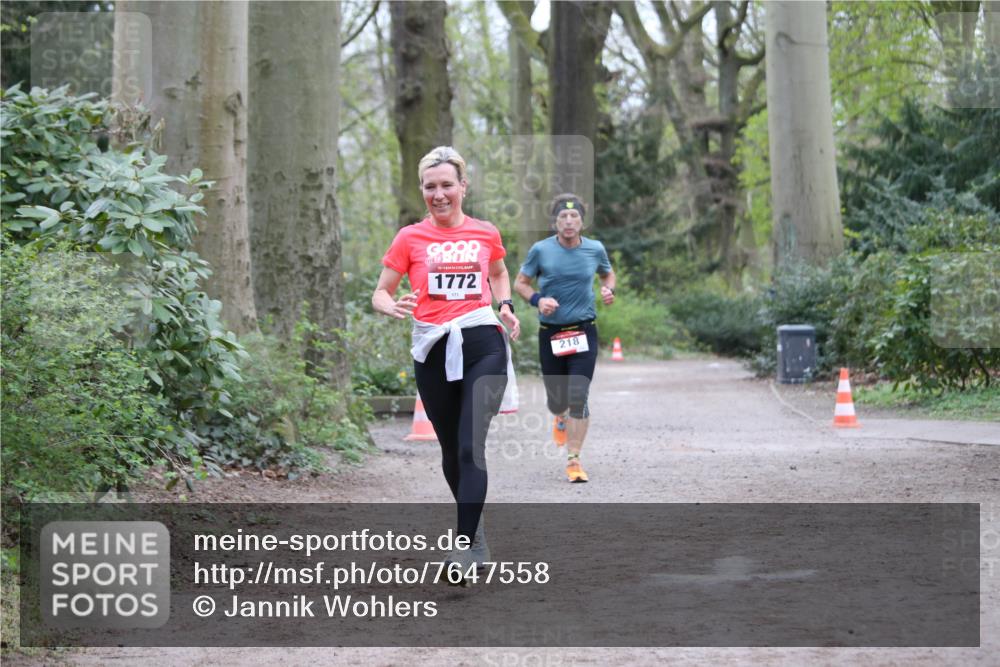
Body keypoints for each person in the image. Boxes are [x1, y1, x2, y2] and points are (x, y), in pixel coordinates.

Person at [372, 146, 520, 572]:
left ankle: (464, 549)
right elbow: (380, 290)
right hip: (433, 348)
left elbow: (498, 271)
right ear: (422, 190)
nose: (439, 194)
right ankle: (475, 534)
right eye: (430, 186)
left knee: (471, 446)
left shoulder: (484, 232)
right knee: (452, 452)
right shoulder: (409, 238)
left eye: (447, 185)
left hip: (482, 343)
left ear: (463, 187)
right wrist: (389, 305)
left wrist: (505, 305)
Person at [514, 193, 615, 483]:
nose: (569, 221)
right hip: (551, 334)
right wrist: (537, 300)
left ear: (582, 221)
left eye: (574, 217)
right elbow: (520, 283)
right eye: (563, 217)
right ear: (555, 222)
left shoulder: (595, 249)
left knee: (579, 396)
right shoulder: (540, 251)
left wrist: (609, 290)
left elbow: (608, 275)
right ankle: (560, 416)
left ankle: (574, 459)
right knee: (557, 401)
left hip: (584, 331)